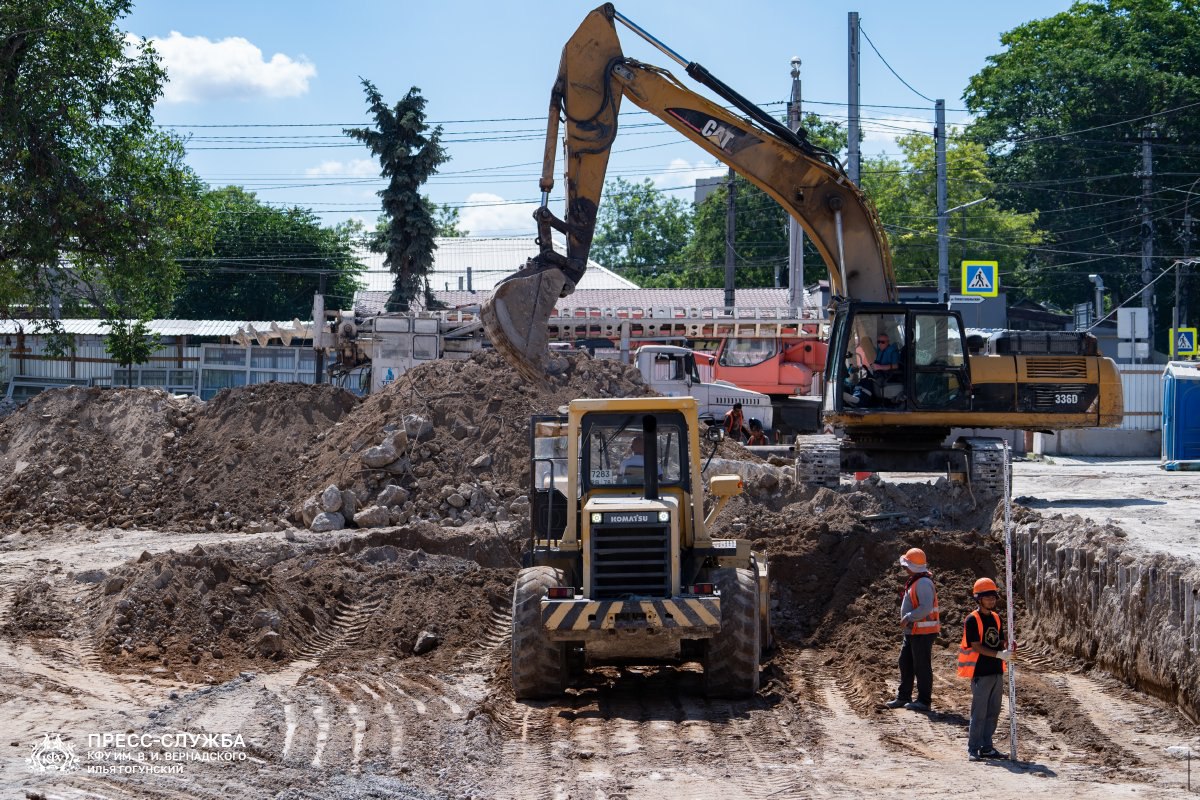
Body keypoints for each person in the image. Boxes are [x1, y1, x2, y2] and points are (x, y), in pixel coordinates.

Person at [958, 577, 1013, 761]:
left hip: (996, 671)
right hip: (981, 672)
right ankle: (973, 748)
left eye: (993, 597)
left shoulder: (997, 618)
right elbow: (976, 646)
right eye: (987, 597)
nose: (991, 600)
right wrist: (998, 655)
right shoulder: (972, 619)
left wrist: (1008, 645)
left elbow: (999, 640)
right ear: (979, 599)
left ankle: (987, 747)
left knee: (993, 711)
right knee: (979, 712)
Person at [884, 547, 940, 712]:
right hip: (913, 631)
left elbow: (925, 608)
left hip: (922, 632)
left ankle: (923, 701)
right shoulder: (917, 580)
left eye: (906, 565)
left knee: (921, 666)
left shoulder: (922, 582)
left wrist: (908, 617)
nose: (904, 568)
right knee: (906, 662)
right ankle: (904, 697)